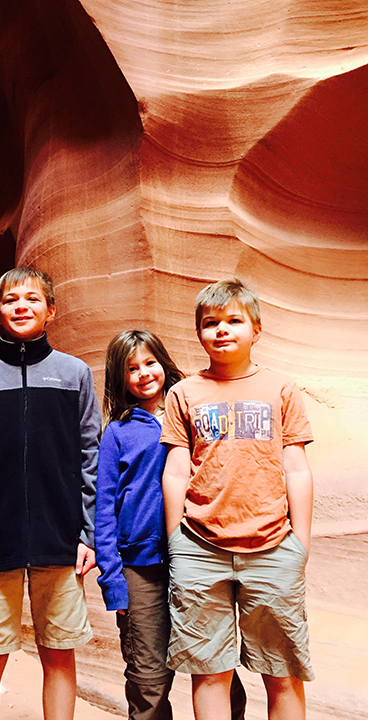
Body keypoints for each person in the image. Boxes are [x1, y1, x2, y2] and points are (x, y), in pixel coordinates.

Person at [0, 266, 101, 720]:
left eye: (33, 299)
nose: (21, 307)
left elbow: (90, 456)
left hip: (61, 539)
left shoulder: (74, 374)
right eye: (11, 301)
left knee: (59, 653)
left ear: (50, 311)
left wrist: (88, 534)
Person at [161, 279, 315, 720]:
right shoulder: (184, 393)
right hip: (199, 546)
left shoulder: (281, 388)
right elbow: (176, 470)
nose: (222, 330)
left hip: (273, 546)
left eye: (234, 320)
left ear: (257, 329)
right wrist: (176, 540)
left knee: (282, 672)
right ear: (199, 332)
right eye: (211, 323)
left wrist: (299, 544)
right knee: (209, 671)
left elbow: (297, 467)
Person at [95, 329, 247, 720]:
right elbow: (105, 508)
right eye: (132, 368)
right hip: (141, 569)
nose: (144, 373)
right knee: (148, 682)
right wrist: (113, 581)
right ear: (120, 378)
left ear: (164, 363)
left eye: (150, 362)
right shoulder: (118, 432)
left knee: (217, 670)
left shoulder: (196, 412)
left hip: (199, 561)